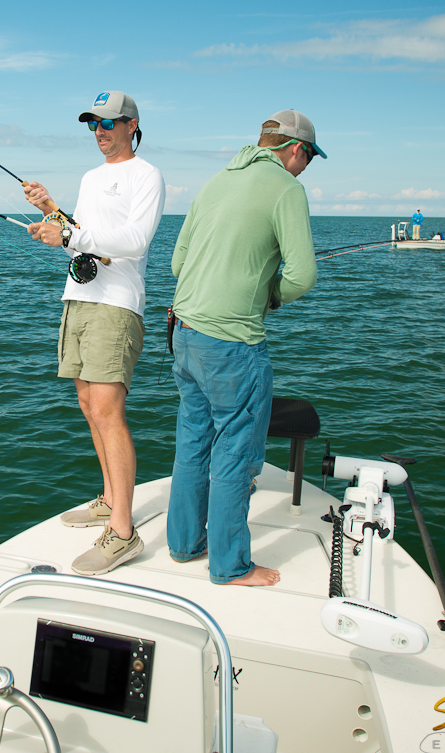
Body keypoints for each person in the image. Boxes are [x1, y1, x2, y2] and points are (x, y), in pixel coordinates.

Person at [166, 109, 323, 588]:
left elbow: (177, 263)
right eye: (310, 157)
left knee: (194, 442)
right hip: (232, 345)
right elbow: (303, 275)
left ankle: (185, 544)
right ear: (294, 149)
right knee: (236, 451)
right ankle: (230, 565)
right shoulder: (287, 189)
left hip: (183, 332)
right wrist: (271, 293)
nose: (306, 167)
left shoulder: (215, 182)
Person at [23, 91, 165, 576]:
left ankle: (123, 534)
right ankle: (108, 500)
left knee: (108, 409)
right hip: (79, 298)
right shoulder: (90, 177)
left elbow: (133, 242)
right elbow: (83, 236)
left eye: (109, 123)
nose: (101, 132)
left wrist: (67, 235)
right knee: (87, 404)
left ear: (132, 125)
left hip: (116, 304)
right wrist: (52, 213)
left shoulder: (145, 175)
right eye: (93, 125)